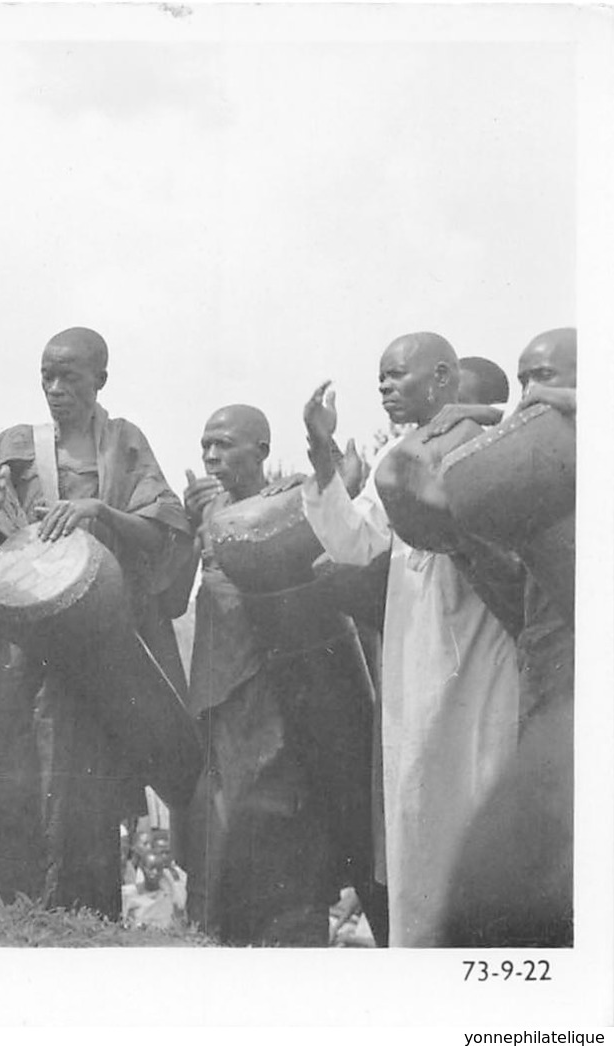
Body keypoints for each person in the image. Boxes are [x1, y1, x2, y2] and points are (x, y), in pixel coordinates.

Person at [300, 331, 520, 946]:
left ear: (444, 378)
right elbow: (355, 541)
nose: (386, 389)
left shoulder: (486, 443)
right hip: (414, 655)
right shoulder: (397, 457)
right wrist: (322, 455)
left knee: (477, 789)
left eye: (398, 376)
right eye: (380, 380)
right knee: (416, 799)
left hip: (480, 650)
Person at [0, 327, 196, 918]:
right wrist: (8, 519)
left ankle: (81, 912)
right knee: (17, 766)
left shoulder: (123, 445)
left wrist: (99, 511)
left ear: (100, 379)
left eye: (69, 376)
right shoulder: (17, 445)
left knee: (84, 777)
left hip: (96, 642)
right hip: (26, 646)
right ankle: (5, 908)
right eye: (46, 374)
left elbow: (165, 524)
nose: (55, 388)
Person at [176, 405, 375, 946]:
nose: (212, 457)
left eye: (224, 445)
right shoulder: (205, 506)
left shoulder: (292, 495)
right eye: (205, 447)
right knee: (221, 818)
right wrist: (190, 531)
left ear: (261, 449)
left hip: (284, 683)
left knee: (287, 810)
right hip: (222, 684)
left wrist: (333, 470)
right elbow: (177, 595)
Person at [440, 327, 575, 947]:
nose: (529, 395)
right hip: (548, 679)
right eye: (522, 381)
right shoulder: (541, 471)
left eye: (543, 376)